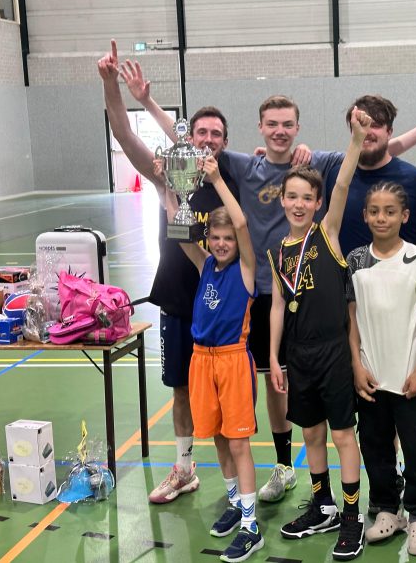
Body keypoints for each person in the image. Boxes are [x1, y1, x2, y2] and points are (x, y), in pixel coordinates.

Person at [124, 70, 345, 501]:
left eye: (287, 125)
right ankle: (244, 471)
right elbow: (190, 143)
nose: (279, 131)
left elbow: (374, 151)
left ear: (297, 127)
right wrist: (147, 103)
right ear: (260, 127)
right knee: (254, 380)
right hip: (252, 291)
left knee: (283, 383)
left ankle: (285, 466)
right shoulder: (246, 165)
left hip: (293, 292)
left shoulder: (312, 163)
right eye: (272, 124)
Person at [98, 41, 238, 504]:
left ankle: (240, 487)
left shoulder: (230, 183)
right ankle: (184, 469)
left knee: (225, 401)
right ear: (188, 138)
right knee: (180, 390)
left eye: (216, 133)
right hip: (178, 302)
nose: (209, 139)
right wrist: (112, 87)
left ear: (224, 142)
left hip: (222, 309)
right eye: (201, 132)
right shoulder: (168, 178)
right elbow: (125, 136)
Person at [326, 95, 416, 531]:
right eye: (360, 124)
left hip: (405, 324)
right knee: (376, 421)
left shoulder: (415, 180)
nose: (369, 132)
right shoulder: (337, 173)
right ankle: (388, 499)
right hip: (359, 316)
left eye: (376, 124)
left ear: (389, 130)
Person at [267, 108, 371, 561]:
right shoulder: (278, 253)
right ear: (282, 200)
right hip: (298, 355)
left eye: (306, 198)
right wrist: (274, 357)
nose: (298, 204)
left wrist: (356, 140)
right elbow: (277, 306)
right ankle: (323, 505)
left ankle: (351, 517)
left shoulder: (326, 233)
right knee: (311, 434)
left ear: (317, 203)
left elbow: (343, 184)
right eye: (291, 196)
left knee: (343, 436)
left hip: (333, 352)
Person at [163, 155, 261, 562]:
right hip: (201, 361)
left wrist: (217, 179)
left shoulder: (246, 269)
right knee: (219, 437)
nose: (222, 243)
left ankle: (251, 526)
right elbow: (179, 230)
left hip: (232, 361)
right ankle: (235, 502)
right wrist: (165, 186)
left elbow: (242, 223)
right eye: (216, 237)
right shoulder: (205, 265)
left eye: (228, 239)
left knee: (238, 442)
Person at [346, 182, 416, 556]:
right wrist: (356, 364)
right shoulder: (356, 260)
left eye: (389, 211)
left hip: (408, 377)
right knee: (374, 446)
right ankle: (388, 508)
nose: (381, 218)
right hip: (371, 376)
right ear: (364, 215)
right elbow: (352, 318)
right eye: (374, 211)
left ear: (405, 216)